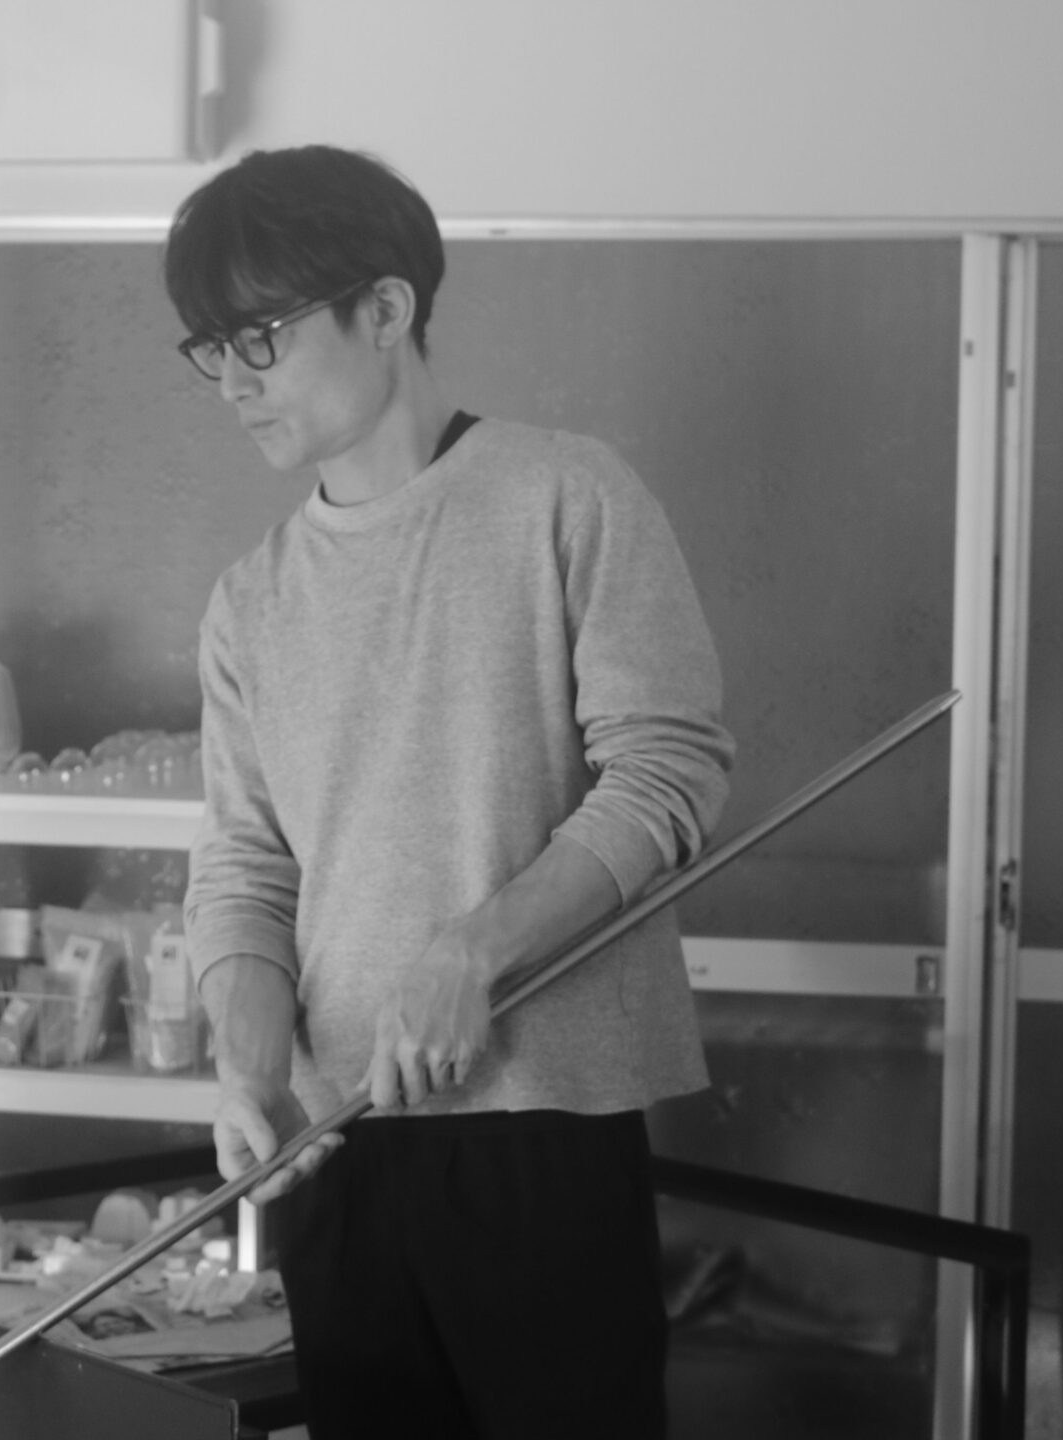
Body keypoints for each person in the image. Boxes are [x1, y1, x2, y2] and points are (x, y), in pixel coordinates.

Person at [169, 145, 735, 1438]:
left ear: (385, 308)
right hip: (333, 1139)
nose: (234, 382)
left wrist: (472, 952)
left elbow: (668, 770)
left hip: (543, 1125)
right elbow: (245, 867)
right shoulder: (250, 601)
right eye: (210, 349)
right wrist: (250, 1071)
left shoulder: (565, 496)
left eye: (260, 337)